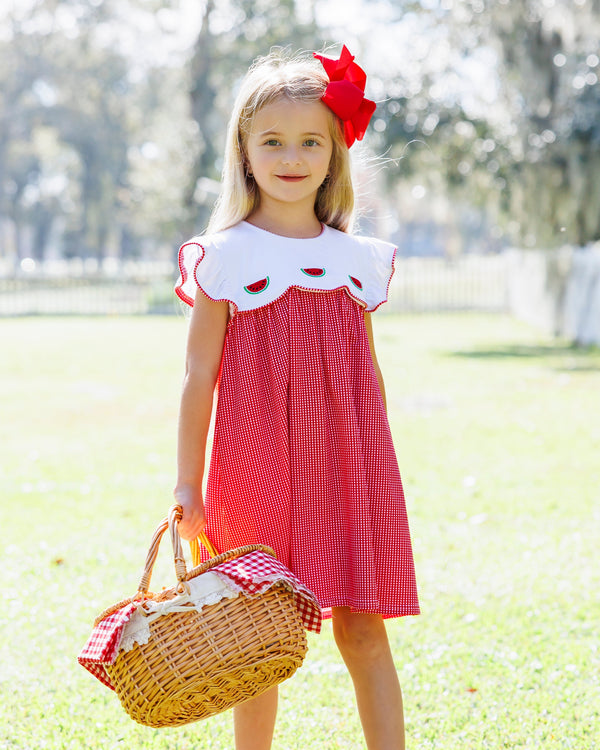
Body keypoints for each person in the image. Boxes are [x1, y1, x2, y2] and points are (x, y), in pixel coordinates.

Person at [173, 44, 419, 750]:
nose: (292, 155)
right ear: (244, 151)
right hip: (254, 465)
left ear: (335, 154)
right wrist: (188, 483)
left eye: (311, 140)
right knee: (258, 628)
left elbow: (365, 376)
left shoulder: (358, 261)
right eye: (272, 140)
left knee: (363, 625)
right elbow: (196, 378)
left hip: (345, 460)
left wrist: (374, 475)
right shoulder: (224, 255)